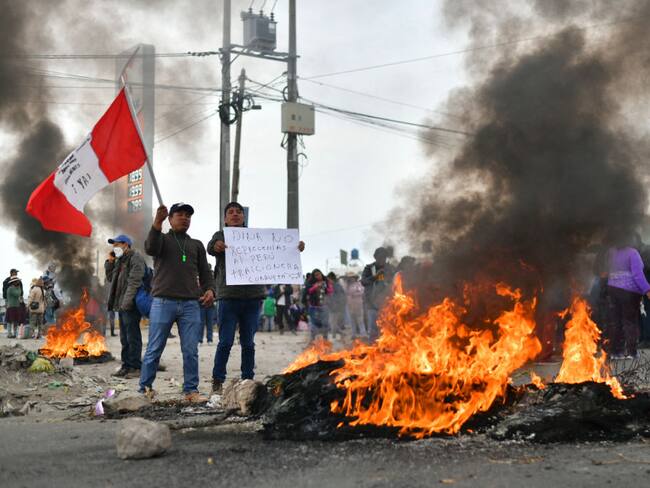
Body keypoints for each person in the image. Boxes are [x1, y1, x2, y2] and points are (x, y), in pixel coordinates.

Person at [207, 201, 305, 393]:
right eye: (231, 212)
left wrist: (295, 247)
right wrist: (216, 246)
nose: (235, 215)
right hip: (228, 297)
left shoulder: (256, 237)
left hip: (252, 298)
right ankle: (217, 380)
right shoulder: (221, 235)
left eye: (238, 212)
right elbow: (210, 247)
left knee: (248, 343)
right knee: (225, 341)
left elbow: (281, 251)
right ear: (225, 218)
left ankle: (248, 380)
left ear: (244, 217)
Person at [139, 203, 216, 402]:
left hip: (191, 304)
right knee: (154, 349)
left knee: (191, 351)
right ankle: (145, 389)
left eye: (188, 216)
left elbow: (205, 272)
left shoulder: (196, 245)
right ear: (170, 219)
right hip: (163, 302)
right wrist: (157, 222)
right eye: (180, 215)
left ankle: (191, 390)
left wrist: (210, 289)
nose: (184, 218)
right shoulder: (162, 239)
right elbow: (150, 247)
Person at [105, 234, 146, 378]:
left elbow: (135, 282)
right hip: (121, 304)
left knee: (132, 336)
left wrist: (127, 302)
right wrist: (109, 262)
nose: (115, 247)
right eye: (114, 245)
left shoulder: (136, 258)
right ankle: (126, 365)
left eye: (117, 244)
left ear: (126, 245)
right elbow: (111, 278)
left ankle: (136, 367)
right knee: (124, 337)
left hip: (131, 304)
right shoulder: (119, 261)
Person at [605, 231, 650, 359]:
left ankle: (615, 352)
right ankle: (631, 352)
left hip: (612, 289)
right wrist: (647, 289)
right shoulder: (632, 253)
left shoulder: (611, 252)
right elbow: (638, 275)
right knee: (630, 321)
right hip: (629, 292)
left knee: (616, 321)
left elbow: (607, 270)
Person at [361, 247, 396, 342]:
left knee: (387, 329)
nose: (382, 260)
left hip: (387, 304)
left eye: (384, 257)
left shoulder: (391, 269)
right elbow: (363, 282)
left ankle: (384, 350)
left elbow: (395, 283)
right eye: (379, 257)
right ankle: (373, 351)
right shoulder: (369, 268)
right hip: (371, 304)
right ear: (375, 257)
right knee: (373, 330)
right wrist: (375, 277)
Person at [307, 268, 333, 341]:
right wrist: (315, 287)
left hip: (324, 306)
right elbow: (308, 291)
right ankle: (312, 339)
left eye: (319, 274)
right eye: (316, 275)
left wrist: (326, 287)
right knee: (313, 324)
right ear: (313, 276)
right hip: (314, 306)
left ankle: (325, 339)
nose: (318, 276)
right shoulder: (310, 283)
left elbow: (330, 291)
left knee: (325, 323)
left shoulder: (326, 282)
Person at [343, 272, 367, 340]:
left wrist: (354, 294)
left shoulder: (358, 284)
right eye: (349, 278)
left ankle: (363, 334)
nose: (351, 279)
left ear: (355, 278)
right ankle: (353, 334)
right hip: (350, 305)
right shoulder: (347, 285)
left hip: (358, 304)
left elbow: (362, 292)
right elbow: (345, 292)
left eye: (352, 277)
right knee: (352, 320)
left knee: (360, 320)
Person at [326, 272, 347, 340]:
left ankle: (335, 336)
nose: (328, 280)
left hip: (335, 307)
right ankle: (337, 334)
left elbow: (341, 296)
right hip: (333, 307)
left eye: (328, 279)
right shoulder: (333, 285)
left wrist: (337, 304)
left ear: (331, 278)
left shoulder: (336, 285)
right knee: (333, 322)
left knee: (333, 322)